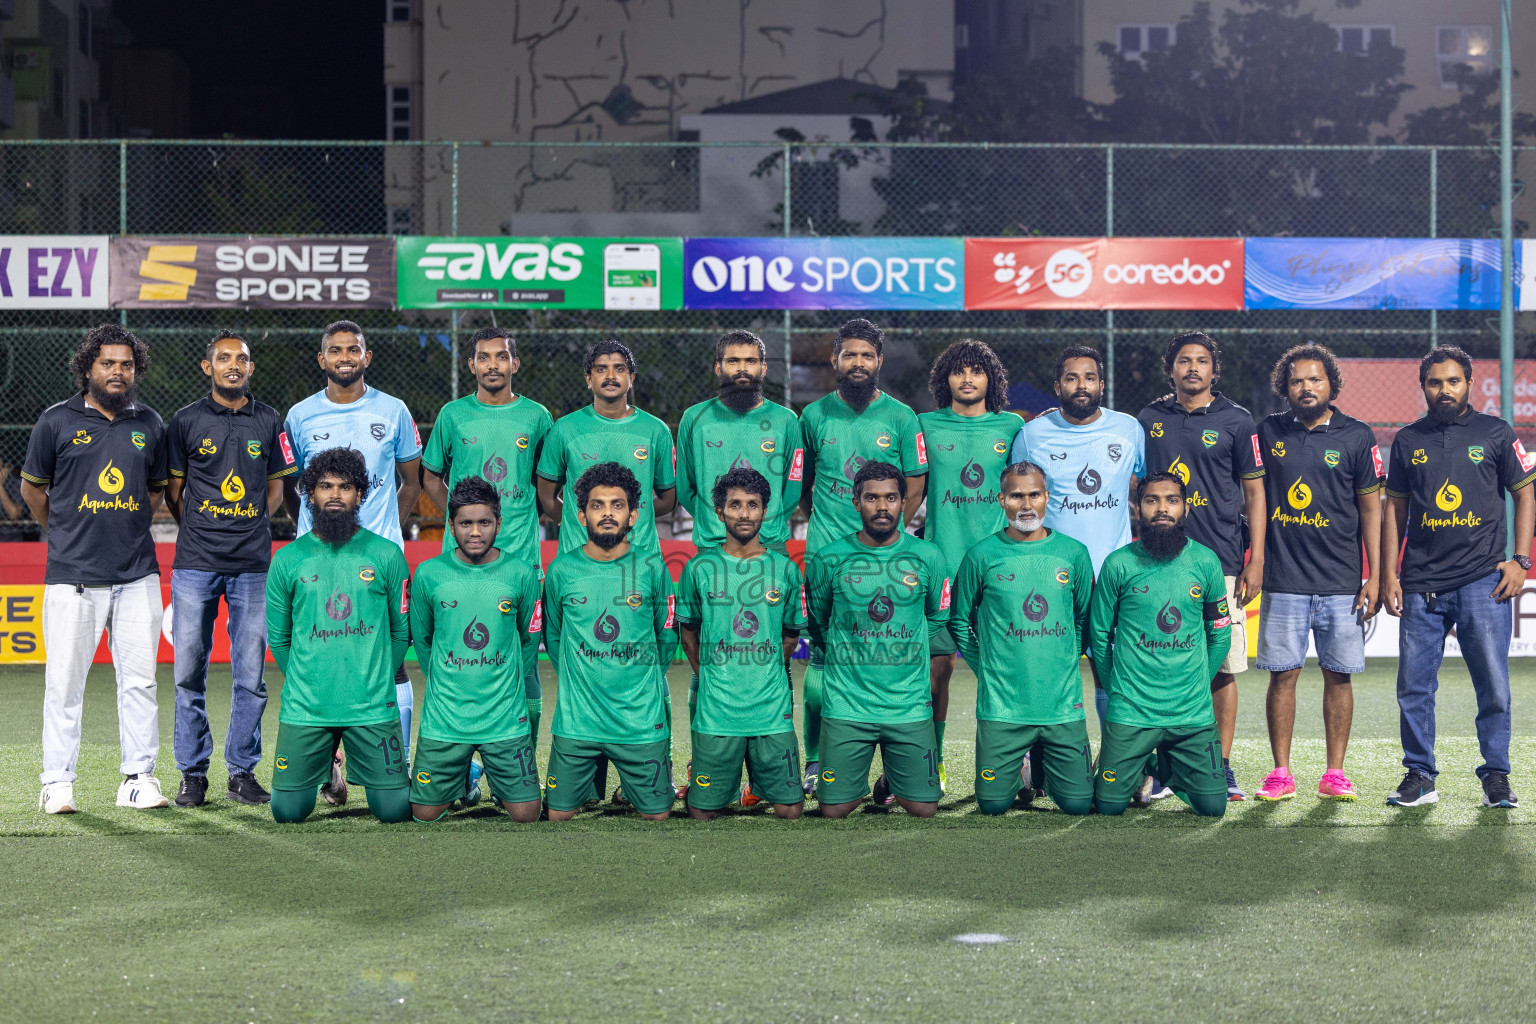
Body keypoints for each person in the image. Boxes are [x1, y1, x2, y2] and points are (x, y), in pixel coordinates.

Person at [21, 324, 171, 814]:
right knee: (65, 682)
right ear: (88, 366)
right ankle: (57, 782)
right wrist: (65, 534)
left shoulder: (149, 422)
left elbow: (153, 492)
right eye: (108, 363)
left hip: (137, 575)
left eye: (126, 364)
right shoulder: (55, 422)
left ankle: (137, 778)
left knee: (141, 682)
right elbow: (33, 493)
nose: (117, 372)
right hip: (73, 576)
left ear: (136, 369)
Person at [1381, 346, 1535, 809]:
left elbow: (1525, 495)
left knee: (1493, 685)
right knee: (1413, 686)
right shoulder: (1408, 440)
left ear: (1470, 383)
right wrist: (1390, 573)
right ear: (1423, 387)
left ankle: (1496, 776)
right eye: (1435, 382)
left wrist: (1521, 560)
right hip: (1421, 583)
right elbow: (1395, 513)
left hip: (1481, 581)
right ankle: (1420, 775)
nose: (1444, 389)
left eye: (1453, 381)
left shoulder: (1497, 433)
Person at [282, 319, 423, 804]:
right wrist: (311, 534)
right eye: (335, 350)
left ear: (367, 357)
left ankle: (394, 764)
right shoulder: (299, 416)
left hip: (380, 558)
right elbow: (291, 489)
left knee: (393, 664)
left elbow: (412, 482)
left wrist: (384, 534)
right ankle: (328, 772)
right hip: (317, 561)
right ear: (322, 359)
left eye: (354, 349)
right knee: (322, 661)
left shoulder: (395, 410)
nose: (345, 357)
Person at [164, 330, 297, 808]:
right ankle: (192, 774)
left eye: (241, 358)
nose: (233, 365)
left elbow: (277, 489)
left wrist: (250, 527)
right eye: (223, 359)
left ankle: (241, 772)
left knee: (250, 676)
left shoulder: (269, 419)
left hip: (253, 567)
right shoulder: (185, 421)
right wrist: (201, 532)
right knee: (187, 673)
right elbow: (174, 492)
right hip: (196, 564)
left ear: (250, 367)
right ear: (208, 368)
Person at [421, 326, 553, 801]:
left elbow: (548, 479)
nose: (493, 365)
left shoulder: (538, 417)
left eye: (501, 357)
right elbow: (430, 474)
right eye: (483, 357)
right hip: (461, 566)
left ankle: (516, 772)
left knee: (525, 664)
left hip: (521, 560)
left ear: (514, 364)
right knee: (454, 663)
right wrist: (459, 512)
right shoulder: (453, 415)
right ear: (471, 364)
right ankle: (459, 776)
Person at [797, 318, 927, 795]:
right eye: (848, 355)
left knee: (886, 651)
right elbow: (803, 483)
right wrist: (832, 533)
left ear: (878, 362)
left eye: (866, 355)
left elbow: (914, 484)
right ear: (835, 361)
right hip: (827, 555)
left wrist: (890, 531)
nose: (857, 363)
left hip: (887, 556)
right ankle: (815, 759)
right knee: (822, 658)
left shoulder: (901, 417)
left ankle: (897, 767)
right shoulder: (812, 417)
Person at [1252, 345, 1382, 803]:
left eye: (1314, 380)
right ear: (1284, 388)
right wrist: (1258, 559)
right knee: (1281, 675)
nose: (1305, 388)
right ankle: (1280, 772)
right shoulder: (1267, 432)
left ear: (1332, 385)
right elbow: (1256, 499)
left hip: (1341, 583)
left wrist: (1376, 574)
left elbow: (1371, 508)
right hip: (1285, 580)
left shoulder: (1357, 435)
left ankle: (1335, 772)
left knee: (1338, 676)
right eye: (1296, 381)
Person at [1138, 332, 1264, 801]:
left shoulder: (1238, 420)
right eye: (1184, 361)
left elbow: (1255, 493)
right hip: (1158, 561)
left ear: (1215, 370)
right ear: (1171, 369)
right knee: (1161, 662)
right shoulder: (1149, 419)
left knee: (1222, 669)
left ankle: (1220, 765)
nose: (1193, 368)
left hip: (1222, 563)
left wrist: (1258, 560)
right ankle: (1166, 766)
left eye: (1202, 361)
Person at [266, 448, 412, 824]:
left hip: (370, 704)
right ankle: (327, 770)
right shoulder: (287, 559)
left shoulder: (387, 555)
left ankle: (466, 777)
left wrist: (377, 677)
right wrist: (306, 678)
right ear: (309, 494)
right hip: (308, 706)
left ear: (359, 495)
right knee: (288, 812)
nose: (334, 495)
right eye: (324, 486)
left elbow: (401, 632)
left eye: (345, 487)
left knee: (394, 811)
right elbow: (279, 640)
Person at [949, 461, 1095, 815]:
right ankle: (1022, 770)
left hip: (1061, 704)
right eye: (1016, 496)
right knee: (993, 805)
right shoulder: (981, 556)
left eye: (1034, 495)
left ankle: (1040, 769)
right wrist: (987, 668)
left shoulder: (1073, 553)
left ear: (1047, 497)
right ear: (1001, 499)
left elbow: (1085, 617)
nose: (1026, 505)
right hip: (1003, 706)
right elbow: (958, 621)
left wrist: (1067, 658)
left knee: (1077, 805)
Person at [805, 461, 948, 819]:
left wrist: (904, 645)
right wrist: (852, 647)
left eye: (891, 498)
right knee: (834, 810)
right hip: (848, 704)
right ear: (856, 502)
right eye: (872, 498)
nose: (882, 507)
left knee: (924, 809)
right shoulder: (829, 558)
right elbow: (818, 622)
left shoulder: (928, 556)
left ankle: (888, 783)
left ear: (903, 502)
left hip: (908, 704)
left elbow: (937, 615)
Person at [1089, 472, 1232, 817]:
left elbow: (1220, 634)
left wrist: (1199, 683)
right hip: (1132, 712)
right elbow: (1098, 636)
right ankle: (1135, 762)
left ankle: (1156, 764)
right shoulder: (1118, 564)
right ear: (1138, 508)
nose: (1162, 508)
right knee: (1108, 807)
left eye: (1172, 500)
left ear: (1186, 509)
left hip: (1191, 714)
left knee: (1213, 807)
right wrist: (1117, 690)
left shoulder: (1206, 562)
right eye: (1152, 500)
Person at [541, 462, 677, 821]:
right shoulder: (561, 570)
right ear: (581, 515)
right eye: (597, 505)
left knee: (659, 817)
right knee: (557, 817)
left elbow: (666, 632)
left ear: (633, 515)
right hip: (577, 722)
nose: (607, 514)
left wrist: (644, 677)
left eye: (617, 505)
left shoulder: (651, 568)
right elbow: (553, 635)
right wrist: (579, 673)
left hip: (639, 719)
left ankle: (633, 785)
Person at [408, 476, 543, 823]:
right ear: (451, 526)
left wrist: (507, 679)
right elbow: (423, 641)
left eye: (484, 522)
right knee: (423, 815)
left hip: (504, 719)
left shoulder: (521, 573)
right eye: (465, 523)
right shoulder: (428, 574)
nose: (475, 532)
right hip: (446, 719)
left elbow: (530, 638)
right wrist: (445, 679)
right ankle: (466, 776)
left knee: (528, 815)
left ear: (498, 523)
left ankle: (493, 777)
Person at [676, 466, 806, 820]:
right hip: (718, 710)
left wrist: (765, 667)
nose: (744, 513)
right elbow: (687, 631)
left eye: (753, 504)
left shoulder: (785, 569)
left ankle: (755, 788)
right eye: (735, 505)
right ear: (720, 513)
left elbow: (790, 635)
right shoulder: (700, 568)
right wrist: (710, 673)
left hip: (770, 708)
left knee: (791, 810)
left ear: (765, 511)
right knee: (702, 813)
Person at [917, 339, 1015, 791]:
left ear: (991, 379)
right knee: (938, 670)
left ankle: (1006, 768)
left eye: (978, 370)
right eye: (959, 371)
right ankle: (929, 765)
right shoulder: (925, 425)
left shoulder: (1012, 428)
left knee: (1004, 670)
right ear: (946, 380)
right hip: (940, 567)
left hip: (997, 572)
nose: (968, 378)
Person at [536, 340, 676, 558]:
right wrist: (578, 519)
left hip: (639, 557)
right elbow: (546, 497)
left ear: (632, 379)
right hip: (577, 554)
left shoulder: (656, 430)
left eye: (619, 369)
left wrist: (627, 517)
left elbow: (668, 500)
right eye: (601, 369)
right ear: (589, 380)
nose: (611, 376)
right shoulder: (564, 429)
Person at [675, 329, 803, 552]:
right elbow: (686, 487)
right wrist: (716, 519)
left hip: (769, 544)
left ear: (763, 368)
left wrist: (768, 522)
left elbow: (792, 487)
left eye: (750, 361)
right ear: (718, 367)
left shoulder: (786, 420)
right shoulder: (694, 418)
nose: (742, 369)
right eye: (733, 361)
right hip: (713, 545)